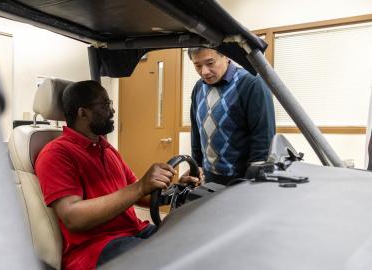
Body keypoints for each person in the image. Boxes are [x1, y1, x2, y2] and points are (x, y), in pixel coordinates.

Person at [35, 80, 199, 270]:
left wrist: (177, 188)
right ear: (83, 113)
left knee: (190, 244)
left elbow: (141, 196)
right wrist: (140, 187)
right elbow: (73, 217)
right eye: (105, 105)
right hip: (96, 247)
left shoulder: (106, 148)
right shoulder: (56, 153)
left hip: (134, 232)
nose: (112, 111)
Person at [188, 47, 276, 185]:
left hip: (242, 180)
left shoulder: (251, 83)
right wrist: (197, 165)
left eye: (210, 63)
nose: (204, 71)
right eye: (197, 65)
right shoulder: (199, 87)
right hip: (209, 177)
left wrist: (254, 179)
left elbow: (263, 138)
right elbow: (196, 131)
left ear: (227, 56)